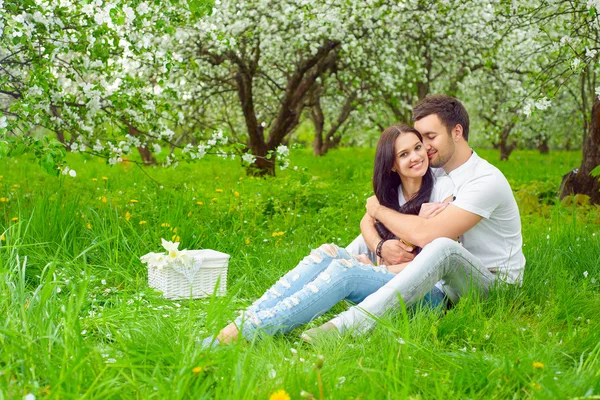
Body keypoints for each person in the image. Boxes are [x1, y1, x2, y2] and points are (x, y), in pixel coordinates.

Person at [200, 124, 454, 348]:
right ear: (391, 164)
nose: (416, 157)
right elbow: (368, 219)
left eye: (418, 147)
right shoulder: (392, 193)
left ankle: (249, 331)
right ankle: (245, 320)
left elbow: (440, 260)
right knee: (326, 252)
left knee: (345, 271)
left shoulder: (444, 191)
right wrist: (378, 252)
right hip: (392, 279)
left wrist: (380, 270)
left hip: (430, 294)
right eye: (404, 154)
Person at [309, 94, 526, 337]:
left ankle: (346, 326)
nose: (425, 147)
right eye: (421, 138)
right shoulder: (438, 175)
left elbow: (424, 235)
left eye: (431, 137)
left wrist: (378, 212)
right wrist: (380, 246)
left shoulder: (485, 180)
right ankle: (308, 293)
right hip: (444, 282)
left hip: (491, 285)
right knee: (367, 240)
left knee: (444, 249)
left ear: (457, 132)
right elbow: (371, 220)